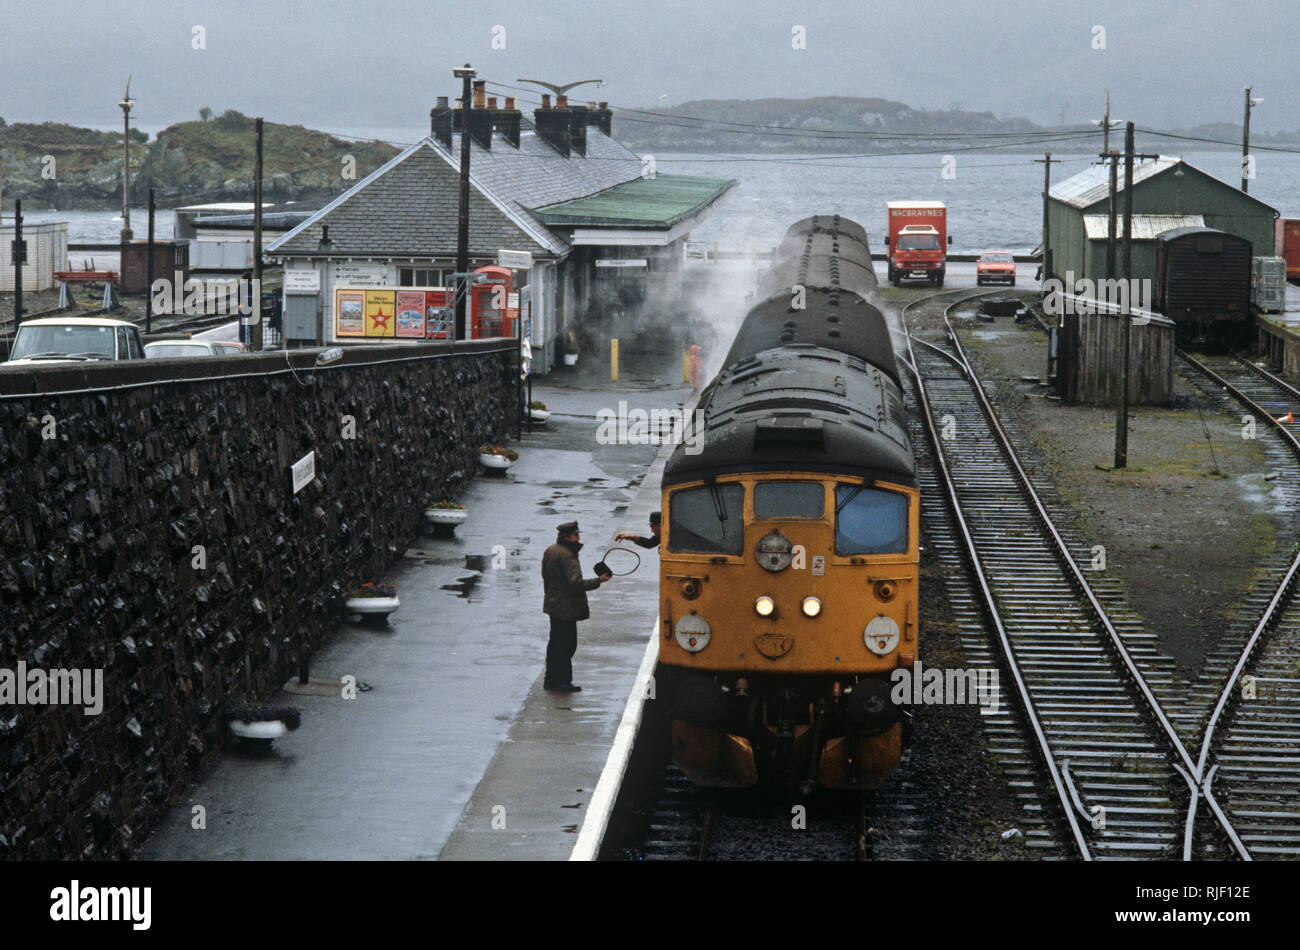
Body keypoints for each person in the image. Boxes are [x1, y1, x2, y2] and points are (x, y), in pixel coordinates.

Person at [541, 521, 611, 692]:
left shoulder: (551, 550)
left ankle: (550, 680)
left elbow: (545, 576)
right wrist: (599, 580)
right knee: (567, 645)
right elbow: (576, 583)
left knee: (555, 644)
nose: (579, 537)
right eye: (576, 535)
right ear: (567, 536)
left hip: (553, 605)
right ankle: (563, 682)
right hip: (566, 608)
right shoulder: (568, 555)